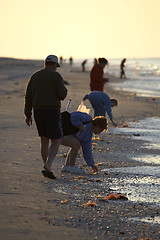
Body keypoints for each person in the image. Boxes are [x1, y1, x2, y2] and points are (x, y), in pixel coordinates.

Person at [24, 55, 68, 179]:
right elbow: (62, 95)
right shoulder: (56, 76)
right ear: (54, 65)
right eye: (56, 66)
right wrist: (65, 90)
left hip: (37, 111)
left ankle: (47, 166)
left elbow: (28, 96)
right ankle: (48, 165)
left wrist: (28, 114)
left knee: (44, 139)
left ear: (45, 63)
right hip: (52, 111)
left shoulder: (35, 76)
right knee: (57, 139)